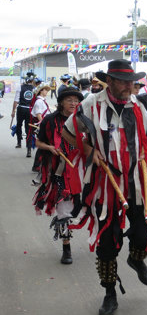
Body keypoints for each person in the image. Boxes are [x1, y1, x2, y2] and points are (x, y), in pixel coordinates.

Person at [61, 59, 147, 315]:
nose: (130, 86)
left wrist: (145, 157)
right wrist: (89, 150)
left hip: (136, 182)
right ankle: (109, 293)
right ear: (111, 81)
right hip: (104, 183)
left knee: (142, 231)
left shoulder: (139, 105)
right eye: (125, 81)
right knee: (107, 241)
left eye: (132, 81)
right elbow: (67, 132)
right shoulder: (90, 105)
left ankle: (136, 259)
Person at [33, 86, 84, 264]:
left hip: (83, 170)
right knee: (64, 210)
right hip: (60, 171)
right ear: (61, 102)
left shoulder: (83, 119)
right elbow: (38, 142)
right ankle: (66, 247)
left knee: (91, 206)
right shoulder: (50, 120)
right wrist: (50, 148)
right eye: (69, 100)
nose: (73, 103)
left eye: (76, 100)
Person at [11, 73, 35, 150]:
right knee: (28, 128)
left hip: (21, 109)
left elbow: (16, 100)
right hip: (30, 109)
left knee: (19, 125)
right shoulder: (34, 88)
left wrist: (13, 111)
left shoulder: (20, 87)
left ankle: (19, 143)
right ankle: (29, 149)